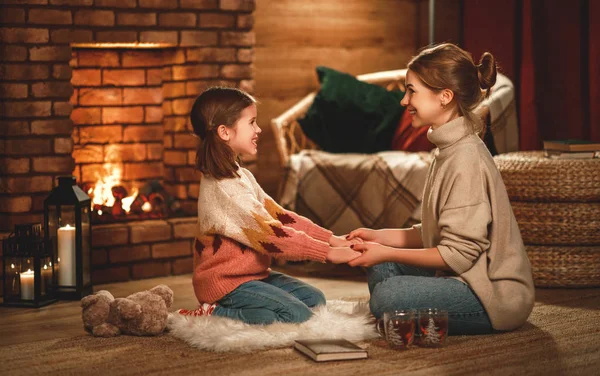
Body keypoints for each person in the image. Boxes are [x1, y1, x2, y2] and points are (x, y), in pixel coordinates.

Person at [346, 43, 535, 335]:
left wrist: (384, 251)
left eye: (412, 91)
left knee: (388, 297)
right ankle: (417, 314)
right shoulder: (447, 148)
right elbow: (435, 232)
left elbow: (458, 254)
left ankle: (409, 313)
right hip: (461, 276)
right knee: (383, 270)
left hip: (492, 294)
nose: (403, 101)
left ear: (445, 97)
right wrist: (378, 238)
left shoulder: (466, 158)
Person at [177, 87, 361, 325]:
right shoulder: (224, 189)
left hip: (253, 276)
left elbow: (281, 218)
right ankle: (213, 312)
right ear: (224, 132)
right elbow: (271, 235)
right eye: (252, 122)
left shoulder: (240, 175)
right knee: (296, 314)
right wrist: (328, 253)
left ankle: (250, 304)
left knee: (316, 300)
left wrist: (332, 239)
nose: (258, 130)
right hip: (225, 284)